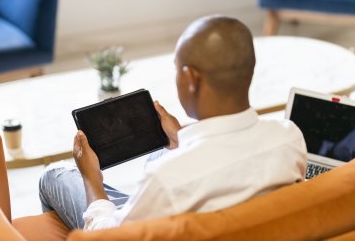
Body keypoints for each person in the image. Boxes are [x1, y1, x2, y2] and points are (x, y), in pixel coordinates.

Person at [39, 15, 307, 231]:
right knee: (159, 152)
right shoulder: (289, 137)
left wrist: (92, 179)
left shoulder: (167, 178)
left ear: (191, 79)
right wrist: (181, 140)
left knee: (54, 176)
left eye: (177, 68)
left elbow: (107, 236)